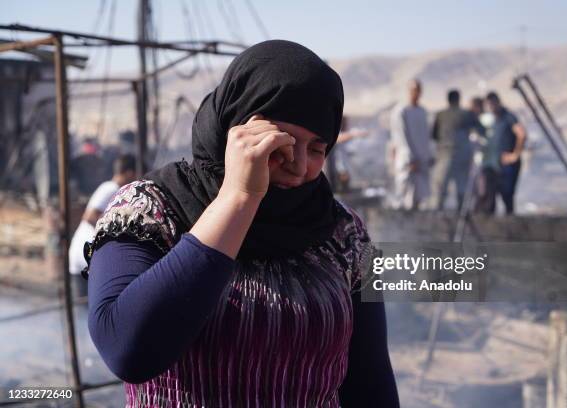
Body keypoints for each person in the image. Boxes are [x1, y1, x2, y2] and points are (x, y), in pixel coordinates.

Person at [82, 40, 399, 407]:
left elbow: (371, 377)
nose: (298, 165)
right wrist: (238, 197)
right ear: (235, 128)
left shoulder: (346, 233)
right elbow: (127, 350)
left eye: (316, 148)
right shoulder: (148, 210)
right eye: (281, 140)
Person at [68, 154, 136, 296]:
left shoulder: (112, 189)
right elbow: (90, 217)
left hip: (87, 257)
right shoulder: (111, 188)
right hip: (86, 255)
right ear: (130, 173)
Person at [431, 89, 481, 211]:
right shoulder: (466, 114)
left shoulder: (441, 115)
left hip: (445, 157)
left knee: (441, 190)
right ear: (458, 99)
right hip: (460, 157)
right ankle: (460, 214)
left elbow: (434, 135)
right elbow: (480, 129)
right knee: (461, 190)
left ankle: (439, 215)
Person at [389, 79, 433, 210]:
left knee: (419, 195)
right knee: (403, 193)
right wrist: (410, 159)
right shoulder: (401, 111)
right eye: (413, 90)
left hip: (421, 160)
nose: (416, 93)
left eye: (418, 90)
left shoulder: (423, 112)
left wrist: (428, 155)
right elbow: (400, 136)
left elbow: (426, 136)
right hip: (407, 161)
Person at [485, 91, 527, 214]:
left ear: (498, 103)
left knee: (507, 195)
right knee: (491, 196)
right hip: (496, 165)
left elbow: (521, 134)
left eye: (493, 104)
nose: (491, 108)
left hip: (508, 165)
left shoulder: (508, 117)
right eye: (489, 105)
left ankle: (510, 224)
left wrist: (515, 154)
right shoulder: (494, 120)